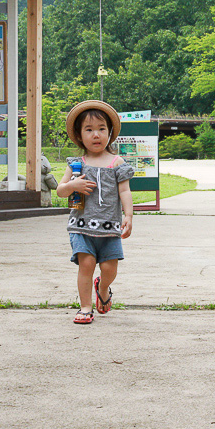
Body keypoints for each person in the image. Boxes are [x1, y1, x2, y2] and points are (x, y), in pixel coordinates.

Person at [56, 100, 134, 324]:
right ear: (80, 136)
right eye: (89, 130)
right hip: (81, 227)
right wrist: (73, 185)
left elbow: (125, 191)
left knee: (109, 268)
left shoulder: (116, 162)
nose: (96, 135)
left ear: (109, 133)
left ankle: (104, 286)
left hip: (110, 228)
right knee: (86, 264)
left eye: (101, 129)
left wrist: (128, 215)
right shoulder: (76, 164)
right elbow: (61, 191)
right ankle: (85, 307)